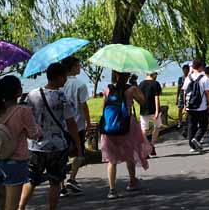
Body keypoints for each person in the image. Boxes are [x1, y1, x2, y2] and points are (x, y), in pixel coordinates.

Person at [20, 63, 83, 210]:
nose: (65, 80)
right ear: (59, 77)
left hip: (35, 145)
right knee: (55, 181)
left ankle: (20, 207)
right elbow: (71, 123)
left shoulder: (32, 94)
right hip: (57, 146)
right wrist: (78, 146)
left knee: (31, 179)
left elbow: (25, 119)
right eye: (65, 77)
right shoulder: (62, 97)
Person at [0, 76, 39, 210]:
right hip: (16, 162)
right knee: (12, 206)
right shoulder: (23, 111)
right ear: (18, 91)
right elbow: (34, 134)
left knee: (4, 201)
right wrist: (39, 129)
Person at [100, 71, 152, 199]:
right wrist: (135, 87)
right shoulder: (131, 89)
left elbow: (103, 107)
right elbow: (143, 102)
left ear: (115, 75)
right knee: (130, 153)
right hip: (126, 126)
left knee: (111, 160)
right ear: (127, 76)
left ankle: (112, 189)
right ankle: (132, 181)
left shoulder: (107, 89)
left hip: (109, 127)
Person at [60, 56, 90, 197]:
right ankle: (72, 178)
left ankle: (61, 185)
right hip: (77, 124)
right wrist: (88, 123)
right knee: (79, 153)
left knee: (62, 155)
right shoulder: (80, 85)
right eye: (78, 65)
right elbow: (84, 105)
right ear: (72, 67)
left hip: (61, 126)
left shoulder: (59, 84)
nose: (80, 68)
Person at [182, 60, 209, 152]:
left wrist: (184, 105)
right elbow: (208, 93)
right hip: (201, 106)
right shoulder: (204, 79)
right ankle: (196, 138)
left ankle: (192, 146)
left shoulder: (188, 78)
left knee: (192, 125)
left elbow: (184, 92)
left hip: (190, 105)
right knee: (204, 124)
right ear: (201, 67)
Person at [139, 72, 163, 157]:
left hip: (143, 110)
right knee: (157, 126)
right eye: (156, 74)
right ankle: (151, 145)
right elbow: (157, 98)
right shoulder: (155, 83)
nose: (156, 76)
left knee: (144, 130)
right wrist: (157, 110)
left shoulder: (141, 84)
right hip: (154, 110)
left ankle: (145, 148)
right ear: (153, 74)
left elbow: (139, 97)